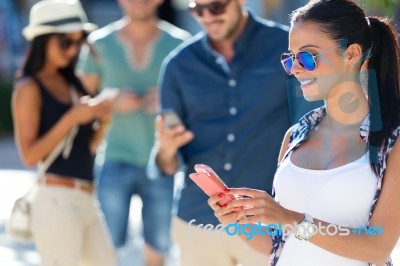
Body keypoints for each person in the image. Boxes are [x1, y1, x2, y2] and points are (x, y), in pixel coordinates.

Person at [208, 0, 400, 265]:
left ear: (352, 54)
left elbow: (377, 249)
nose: (296, 68)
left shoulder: (393, 142)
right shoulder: (294, 137)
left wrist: (290, 218)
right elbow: (278, 245)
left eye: (308, 56)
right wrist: (237, 221)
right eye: (290, 58)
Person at [147, 0, 318, 265]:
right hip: (198, 223)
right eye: (197, 10)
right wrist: (166, 149)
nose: (207, 17)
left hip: (267, 222)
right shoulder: (178, 65)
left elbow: (314, 127)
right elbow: (164, 165)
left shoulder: (285, 48)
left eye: (215, 6)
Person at [77, 0, 190, 265]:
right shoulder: (99, 43)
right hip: (113, 158)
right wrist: (110, 101)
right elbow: (79, 104)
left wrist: (165, 104)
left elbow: (192, 105)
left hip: (162, 162)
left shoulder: (180, 43)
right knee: (105, 247)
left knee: (158, 249)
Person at [12, 0, 117, 265]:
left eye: (78, 41)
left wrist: (103, 121)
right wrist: (72, 117)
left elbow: (87, 148)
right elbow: (29, 156)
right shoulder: (29, 88)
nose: (73, 50)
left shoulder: (75, 83)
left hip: (87, 197)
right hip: (55, 201)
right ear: (42, 41)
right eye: (65, 42)